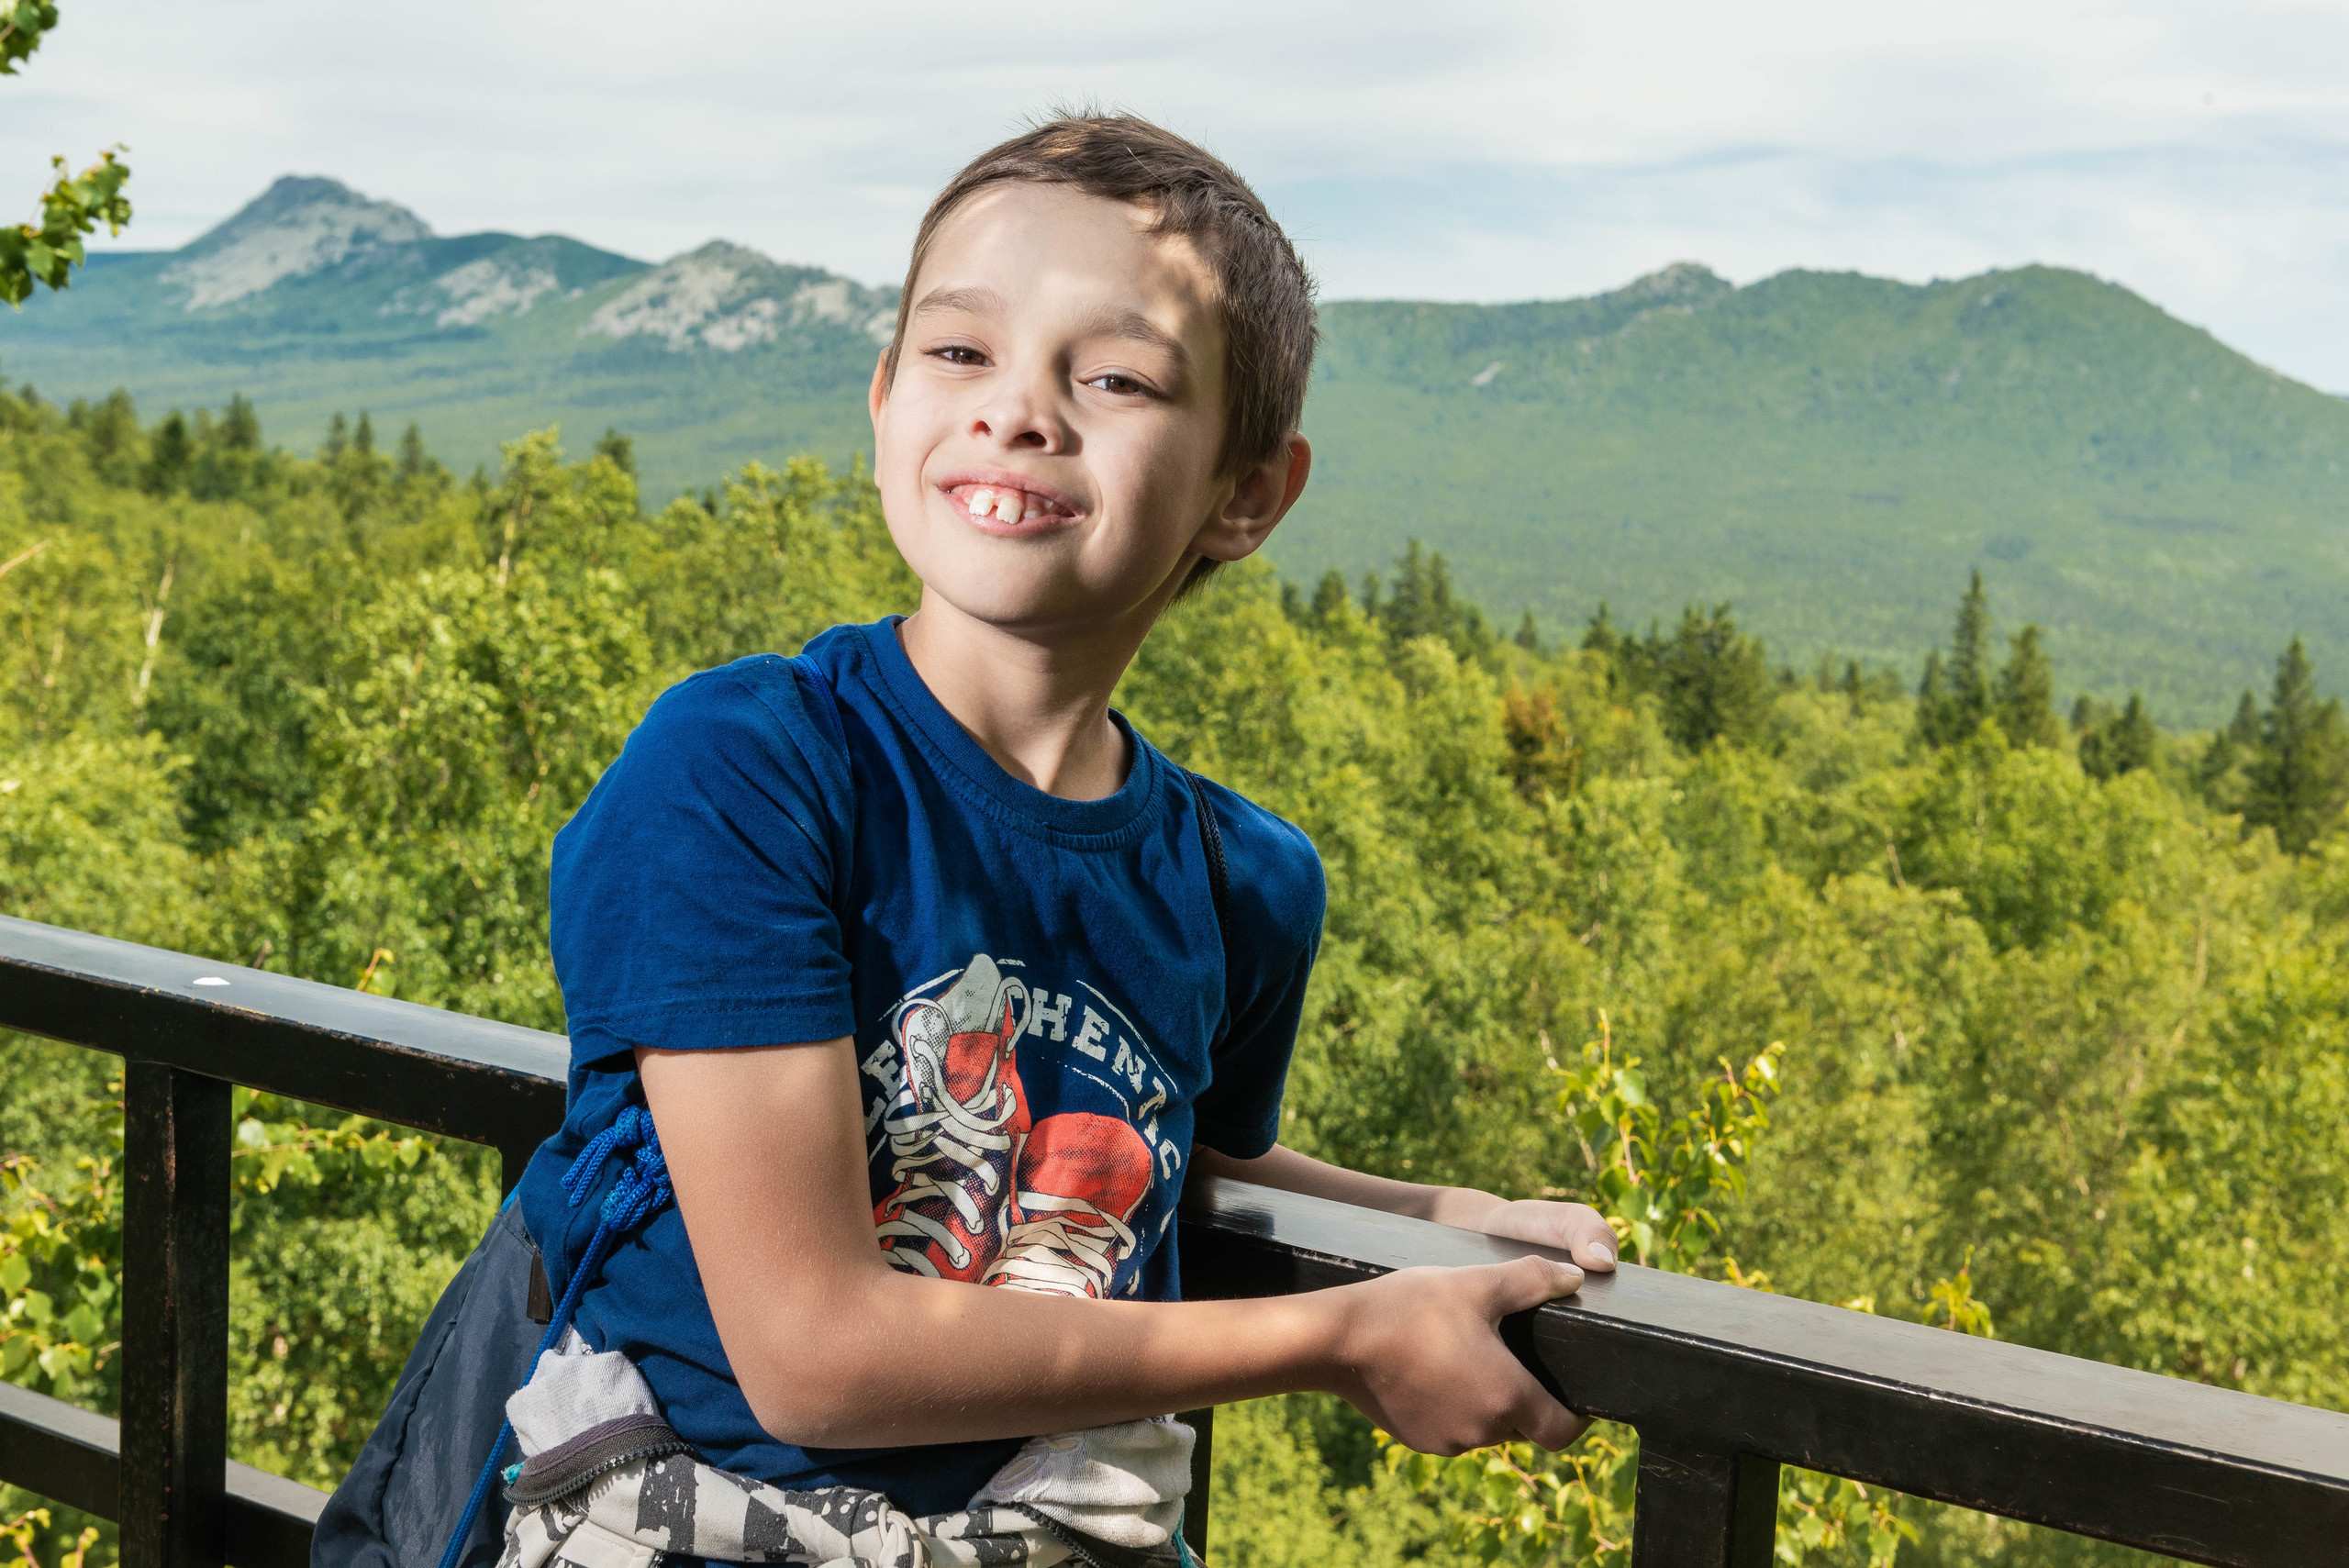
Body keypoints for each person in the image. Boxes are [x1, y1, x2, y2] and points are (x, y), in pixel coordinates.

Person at [315, 112, 1618, 1568]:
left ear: (1248, 490)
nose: (1019, 410)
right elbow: (813, 1352)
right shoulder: (748, 772)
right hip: (692, 1522)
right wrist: (1341, 1335)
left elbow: (1166, 1144)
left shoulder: (1241, 882)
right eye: (959, 349)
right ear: (884, 401)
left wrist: (1438, 1220)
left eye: (1115, 376)